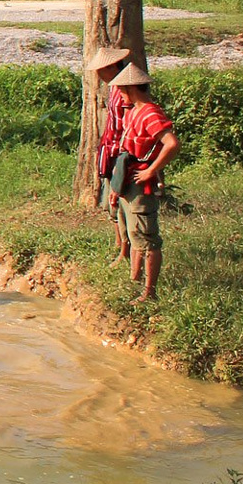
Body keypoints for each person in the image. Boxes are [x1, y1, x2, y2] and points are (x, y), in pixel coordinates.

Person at [109, 65, 180, 303]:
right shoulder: (133, 111)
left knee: (147, 238)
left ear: (130, 88)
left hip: (141, 183)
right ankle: (135, 278)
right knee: (133, 232)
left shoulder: (150, 113)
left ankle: (150, 292)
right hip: (128, 180)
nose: (119, 93)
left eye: (120, 89)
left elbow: (171, 144)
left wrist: (151, 170)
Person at [87, 47, 134, 259]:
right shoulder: (114, 88)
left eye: (100, 70)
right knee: (110, 202)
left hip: (119, 153)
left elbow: (128, 126)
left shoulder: (125, 91)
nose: (98, 75)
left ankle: (125, 249)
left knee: (118, 201)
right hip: (110, 151)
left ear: (111, 67)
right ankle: (119, 243)